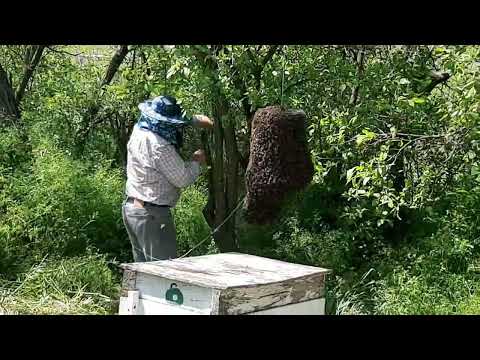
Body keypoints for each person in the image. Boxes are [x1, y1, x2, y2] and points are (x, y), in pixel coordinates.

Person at [122, 95, 213, 262]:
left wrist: (200, 121)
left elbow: (181, 120)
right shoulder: (159, 145)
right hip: (152, 215)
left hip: (133, 209)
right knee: (162, 273)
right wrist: (196, 161)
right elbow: (182, 179)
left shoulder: (140, 129)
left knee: (143, 274)